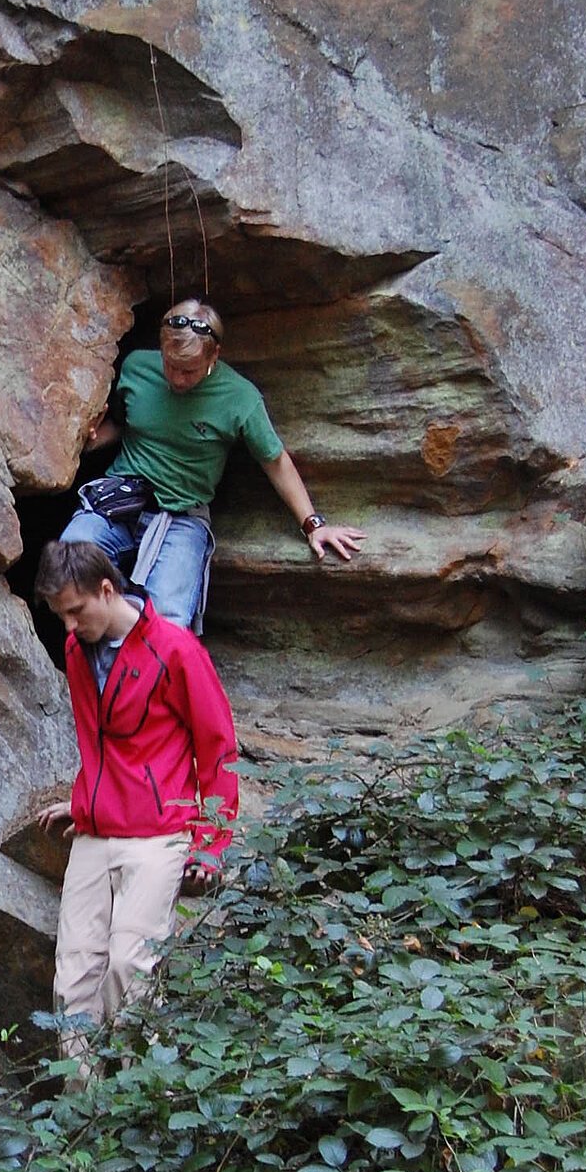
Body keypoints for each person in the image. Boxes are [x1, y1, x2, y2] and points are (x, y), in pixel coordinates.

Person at [34, 537, 239, 1033]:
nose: (69, 625)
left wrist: (211, 845)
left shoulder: (176, 650)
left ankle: (132, 1100)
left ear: (107, 590)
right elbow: (104, 741)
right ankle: (83, 1107)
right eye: (61, 615)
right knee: (72, 983)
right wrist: (84, 800)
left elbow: (218, 750)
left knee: (130, 967)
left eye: (76, 611)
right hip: (96, 831)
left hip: (158, 833)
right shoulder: (76, 649)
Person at [61, 299, 364, 630]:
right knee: (71, 563)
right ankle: (118, 635)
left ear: (214, 355)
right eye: (170, 365)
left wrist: (314, 525)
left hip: (182, 515)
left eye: (189, 370)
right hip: (121, 497)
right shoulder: (136, 368)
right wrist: (88, 440)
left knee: (169, 622)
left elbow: (275, 462)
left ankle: (138, 643)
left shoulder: (240, 398)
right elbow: (121, 425)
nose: (177, 378)